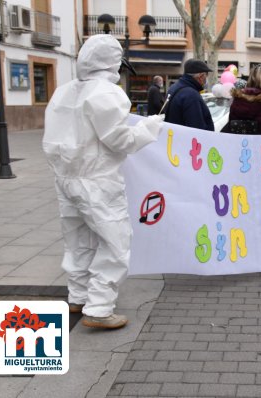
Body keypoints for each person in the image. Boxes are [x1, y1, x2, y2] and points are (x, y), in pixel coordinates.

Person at [42, 34, 164, 329]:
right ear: (112, 64)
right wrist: (150, 128)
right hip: (97, 180)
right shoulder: (106, 93)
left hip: (65, 178)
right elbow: (120, 140)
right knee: (115, 242)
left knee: (78, 241)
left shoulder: (64, 92)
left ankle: (78, 297)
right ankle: (98, 308)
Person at [164, 59, 215, 131]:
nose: (206, 79)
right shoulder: (191, 95)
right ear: (201, 76)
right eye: (206, 76)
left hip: (174, 136)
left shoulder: (173, 88)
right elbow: (196, 128)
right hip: (185, 140)